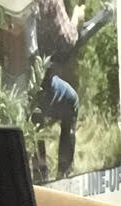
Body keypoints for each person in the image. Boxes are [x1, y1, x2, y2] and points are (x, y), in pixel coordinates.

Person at [33, 0, 84, 179]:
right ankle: (64, 173)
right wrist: (76, 17)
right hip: (40, 83)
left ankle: (39, 171)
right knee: (72, 101)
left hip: (17, 80)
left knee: (35, 117)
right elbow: (67, 40)